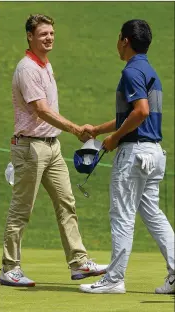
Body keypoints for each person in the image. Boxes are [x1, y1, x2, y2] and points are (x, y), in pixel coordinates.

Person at [0, 14, 107, 287]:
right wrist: (74, 129)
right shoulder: (27, 69)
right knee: (22, 209)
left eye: (51, 34)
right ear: (30, 36)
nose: (49, 38)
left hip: (52, 147)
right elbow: (41, 110)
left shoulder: (44, 64)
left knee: (66, 203)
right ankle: (10, 268)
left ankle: (79, 263)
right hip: (30, 147)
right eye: (43, 34)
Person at [80, 19, 175, 294]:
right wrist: (98, 130)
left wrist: (114, 139)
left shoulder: (131, 71)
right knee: (154, 215)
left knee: (121, 215)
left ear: (124, 40)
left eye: (118, 38)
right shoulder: (149, 70)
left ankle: (113, 280)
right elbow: (133, 115)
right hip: (155, 154)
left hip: (134, 154)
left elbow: (141, 112)